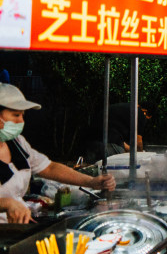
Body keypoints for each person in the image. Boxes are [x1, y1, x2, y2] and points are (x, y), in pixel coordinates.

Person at [0, 84, 115, 223]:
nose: (21, 121)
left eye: (23, 115)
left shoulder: (17, 142)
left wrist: (91, 182)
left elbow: (49, 168)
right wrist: (6, 203)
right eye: (16, 115)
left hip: (13, 228)